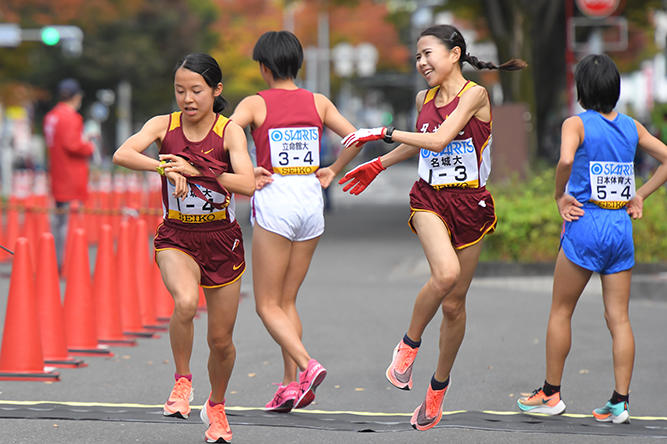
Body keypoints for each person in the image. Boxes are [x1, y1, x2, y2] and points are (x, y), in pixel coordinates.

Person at [339, 24, 526, 430]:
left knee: (456, 304)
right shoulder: (424, 97)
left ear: (455, 53)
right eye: (418, 56)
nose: (422, 62)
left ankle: (437, 388)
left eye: (428, 54)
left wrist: (382, 135)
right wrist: (379, 163)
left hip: (471, 204)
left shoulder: (475, 94)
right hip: (430, 199)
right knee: (445, 274)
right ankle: (408, 347)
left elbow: (441, 139)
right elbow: (422, 141)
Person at [516, 54, 667, 424]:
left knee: (561, 310)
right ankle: (620, 401)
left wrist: (558, 195)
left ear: (582, 89)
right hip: (619, 228)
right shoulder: (632, 127)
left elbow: (566, 160)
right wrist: (640, 195)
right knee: (619, 318)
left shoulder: (576, 123)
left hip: (584, 223)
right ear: (614, 88)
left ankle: (551, 394)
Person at [113, 53, 254, 443]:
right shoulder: (164, 125)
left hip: (222, 241)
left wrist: (197, 170)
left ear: (216, 91)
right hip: (177, 236)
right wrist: (165, 167)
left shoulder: (229, 133)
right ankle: (182, 381)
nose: (187, 99)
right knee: (187, 303)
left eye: (196, 90)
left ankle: (218, 405)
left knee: (221, 341)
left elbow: (246, 184)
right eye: (180, 90)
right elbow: (122, 154)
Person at [230, 30, 363, 413]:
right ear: (297, 64)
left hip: (275, 201)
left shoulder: (256, 104)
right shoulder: (318, 101)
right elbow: (357, 136)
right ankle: (290, 386)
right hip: (310, 200)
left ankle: (307, 366)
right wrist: (333, 169)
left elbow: (224, 133)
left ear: (264, 67)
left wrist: (247, 168)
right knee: (286, 301)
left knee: (265, 304)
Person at [43, 78, 95, 268]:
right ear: (76, 96)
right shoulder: (70, 117)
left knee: (58, 221)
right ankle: (67, 263)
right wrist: (89, 146)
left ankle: (58, 260)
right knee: (69, 223)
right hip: (71, 176)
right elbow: (73, 144)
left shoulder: (52, 116)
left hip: (57, 174)